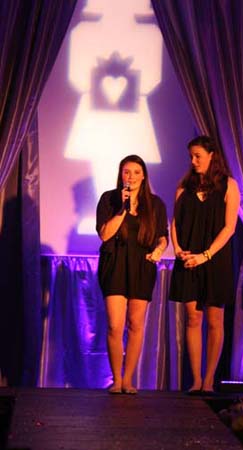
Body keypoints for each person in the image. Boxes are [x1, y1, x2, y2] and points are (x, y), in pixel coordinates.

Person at [169, 135, 240, 394]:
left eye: (198, 155)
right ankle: (196, 379)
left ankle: (209, 379)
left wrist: (206, 255)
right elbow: (174, 223)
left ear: (212, 155)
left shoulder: (228, 185)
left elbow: (230, 227)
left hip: (214, 259)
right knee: (193, 318)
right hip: (188, 259)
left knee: (214, 320)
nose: (193, 161)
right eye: (191, 156)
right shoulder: (183, 188)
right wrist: (177, 249)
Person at [96, 154, 168, 394]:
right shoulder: (109, 199)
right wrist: (122, 209)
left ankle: (128, 380)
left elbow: (161, 236)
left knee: (136, 324)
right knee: (115, 326)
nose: (131, 177)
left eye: (136, 172)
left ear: (144, 175)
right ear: (121, 175)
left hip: (142, 265)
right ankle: (116, 380)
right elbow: (105, 235)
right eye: (127, 172)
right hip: (115, 263)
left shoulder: (155, 204)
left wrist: (159, 249)